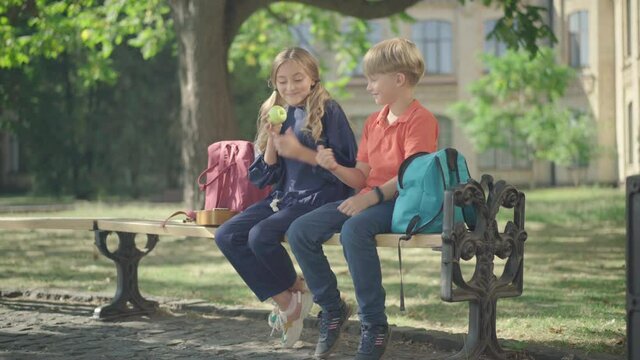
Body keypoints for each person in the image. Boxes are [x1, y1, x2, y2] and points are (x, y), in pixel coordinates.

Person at [286, 38, 439, 360]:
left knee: (355, 230)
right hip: (369, 197)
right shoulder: (374, 121)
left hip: (400, 202)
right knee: (301, 230)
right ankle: (332, 308)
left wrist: (368, 201)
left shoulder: (420, 120)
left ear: (398, 79)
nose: (368, 86)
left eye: (373, 79)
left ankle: (374, 324)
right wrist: (336, 167)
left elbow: (411, 176)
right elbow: (361, 176)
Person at [213, 47, 358, 347]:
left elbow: (346, 168)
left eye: (298, 79)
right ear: (274, 83)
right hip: (285, 197)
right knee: (227, 235)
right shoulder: (275, 112)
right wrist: (272, 143)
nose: (290, 87)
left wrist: (301, 152)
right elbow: (262, 176)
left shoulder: (328, 111)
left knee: (260, 235)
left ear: (313, 79)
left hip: (320, 197)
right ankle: (291, 298)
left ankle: (301, 296)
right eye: (282, 81)